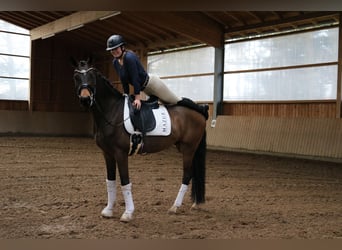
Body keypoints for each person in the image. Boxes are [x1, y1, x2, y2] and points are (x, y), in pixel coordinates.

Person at [106, 34, 208, 119]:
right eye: (111, 50)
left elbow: (135, 78)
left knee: (175, 101)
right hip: (146, 89)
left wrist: (137, 98)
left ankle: (201, 108)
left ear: (122, 47)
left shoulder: (129, 57)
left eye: (116, 48)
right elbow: (124, 80)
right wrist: (126, 95)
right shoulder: (115, 62)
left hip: (153, 84)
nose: (114, 51)